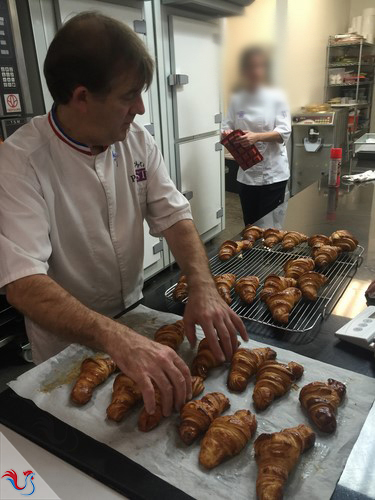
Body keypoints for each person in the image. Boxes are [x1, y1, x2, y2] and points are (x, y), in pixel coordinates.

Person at [0, 13, 247, 417]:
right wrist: (114, 337)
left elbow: (173, 215)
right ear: (81, 97)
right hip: (65, 352)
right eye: (129, 95)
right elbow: (23, 284)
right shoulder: (21, 161)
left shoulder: (134, 139)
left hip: (133, 322)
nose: (141, 106)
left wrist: (202, 285)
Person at [222, 46, 291, 226]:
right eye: (251, 67)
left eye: (259, 66)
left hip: (273, 174)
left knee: (270, 226)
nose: (255, 71)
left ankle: (271, 255)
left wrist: (257, 137)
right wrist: (228, 133)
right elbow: (226, 124)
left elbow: (284, 132)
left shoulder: (277, 97)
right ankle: (253, 254)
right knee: (250, 225)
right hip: (247, 172)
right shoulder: (237, 98)